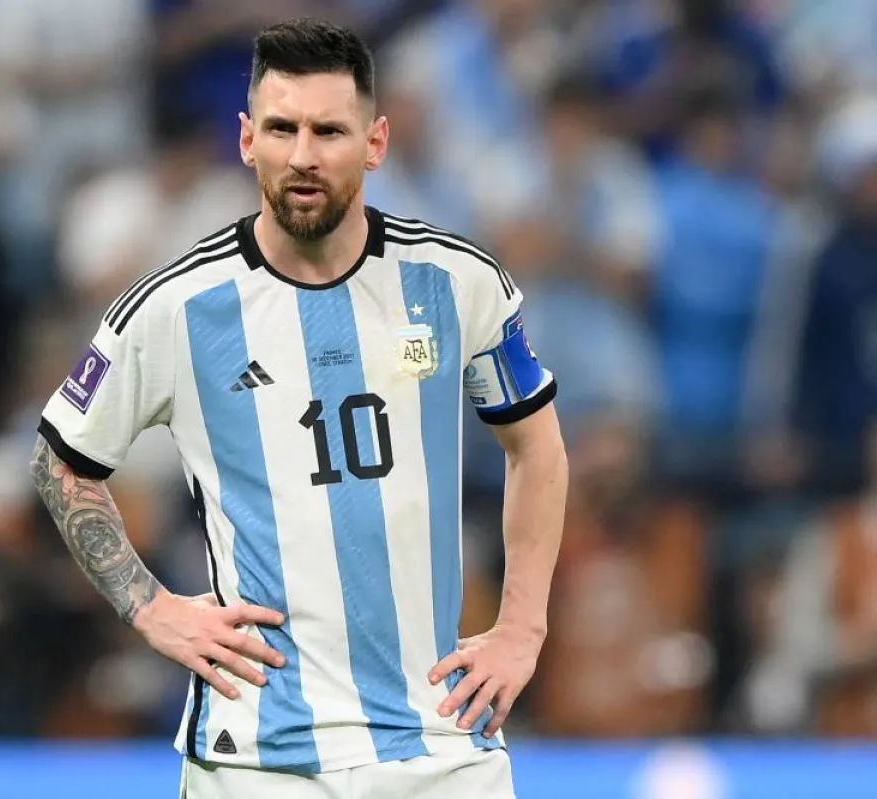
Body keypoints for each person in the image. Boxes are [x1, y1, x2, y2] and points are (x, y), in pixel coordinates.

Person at [31, 18, 567, 798]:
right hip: (256, 759)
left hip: (440, 748)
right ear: (248, 140)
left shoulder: (456, 282)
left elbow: (538, 447)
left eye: (329, 130)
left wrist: (522, 627)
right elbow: (61, 459)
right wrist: (151, 608)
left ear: (376, 143)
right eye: (281, 129)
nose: (304, 155)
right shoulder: (176, 309)